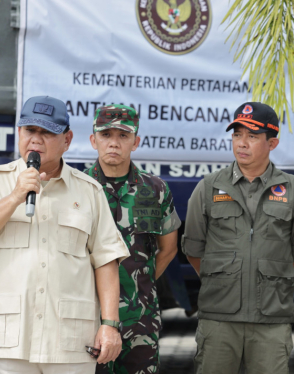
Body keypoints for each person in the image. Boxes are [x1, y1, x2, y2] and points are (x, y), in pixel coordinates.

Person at [0, 96, 130, 373]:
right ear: (19, 133)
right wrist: (15, 196)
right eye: (29, 130)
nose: (36, 140)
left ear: (67, 139)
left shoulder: (89, 191)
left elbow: (106, 260)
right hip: (11, 337)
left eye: (47, 132)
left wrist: (110, 325)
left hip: (70, 340)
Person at [182, 102, 294, 373]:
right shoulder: (208, 187)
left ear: (272, 142)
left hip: (271, 321)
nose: (242, 143)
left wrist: (270, 281)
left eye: (252, 136)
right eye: (237, 135)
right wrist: (224, 278)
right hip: (218, 318)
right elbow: (193, 248)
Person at [84, 105, 181, 374]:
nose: (114, 143)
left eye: (123, 136)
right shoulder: (78, 187)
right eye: (106, 135)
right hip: (88, 317)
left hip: (141, 320)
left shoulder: (156, 189)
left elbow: (168, 248)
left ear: (136, 142)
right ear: (94, 140)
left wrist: (139, 283)